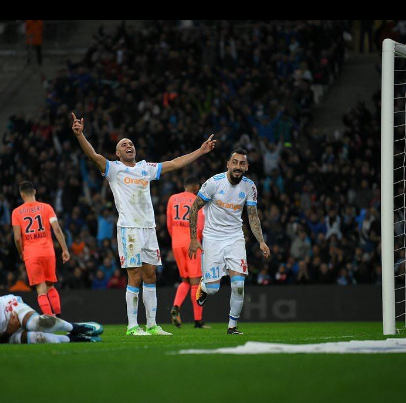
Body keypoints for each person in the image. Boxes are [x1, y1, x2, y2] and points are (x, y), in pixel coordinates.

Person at [71, 112, 216, 336]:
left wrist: (201, 150)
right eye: (123, 144)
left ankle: (152, 324)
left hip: (148, 229)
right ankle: (131, 325)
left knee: (151, 275)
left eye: (131, 143)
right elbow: (92, 155)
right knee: (135, 276)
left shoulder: (145, 168)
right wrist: (80, 135)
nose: (129, 145)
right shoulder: (113, 169)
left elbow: (175, 163)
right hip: (129, 229)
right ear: (117, 153)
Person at [188, 148, 270, 335]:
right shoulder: (213, 184)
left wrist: (261, 241)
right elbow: (194, 209)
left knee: (239, 284)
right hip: (212, 238)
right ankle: (204, 286)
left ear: (247, 167)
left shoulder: (250, 187)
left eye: (242, 163)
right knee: (213, 289)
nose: (238, 166)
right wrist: (194, 238)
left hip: (235, 238)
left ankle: (232, 326)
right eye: (235, 162)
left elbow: (252, 216)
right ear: (228, 164)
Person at [0, 292, 102, 346]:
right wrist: (9, 331)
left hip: (8, 307)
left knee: (36, 323)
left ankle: (76, 327)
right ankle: (78, 339)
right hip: (6, 331)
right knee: (37, 338)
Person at [12, 181, 70, 318]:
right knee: (51, 285)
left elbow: (17, 238)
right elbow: (56, 229)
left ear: (21, 194)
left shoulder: (16, 212)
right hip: (47, 251)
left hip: (31, 253)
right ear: (35, 192)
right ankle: (58, 315)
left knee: (41, 289)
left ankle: (50, 319)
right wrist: (64, 249)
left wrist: (21, 252)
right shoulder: (47, 207)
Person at [167, 176, 207, 329]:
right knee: (196, 283)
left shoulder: (172, 199)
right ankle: (198, 321)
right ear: (196, 187)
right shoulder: (198, 201)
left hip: (176, 244)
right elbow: (201, 227)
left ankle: (176, 307)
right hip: (192, 244)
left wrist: (176, 239)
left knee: (185, 281)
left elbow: (169, 224)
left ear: (184, 185)